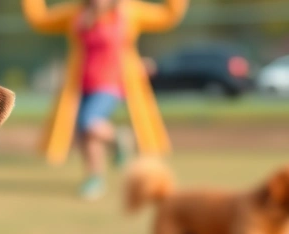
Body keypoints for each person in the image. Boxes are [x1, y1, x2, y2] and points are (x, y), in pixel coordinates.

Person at [22, 0, 188, 199]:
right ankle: (94, 178)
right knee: (85, 134)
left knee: (89, 122)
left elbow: (168, 16)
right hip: (80, 84)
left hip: (110, 83)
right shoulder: (76, 14)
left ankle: (119, 139)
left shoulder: (130, 12)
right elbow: (40, 20)